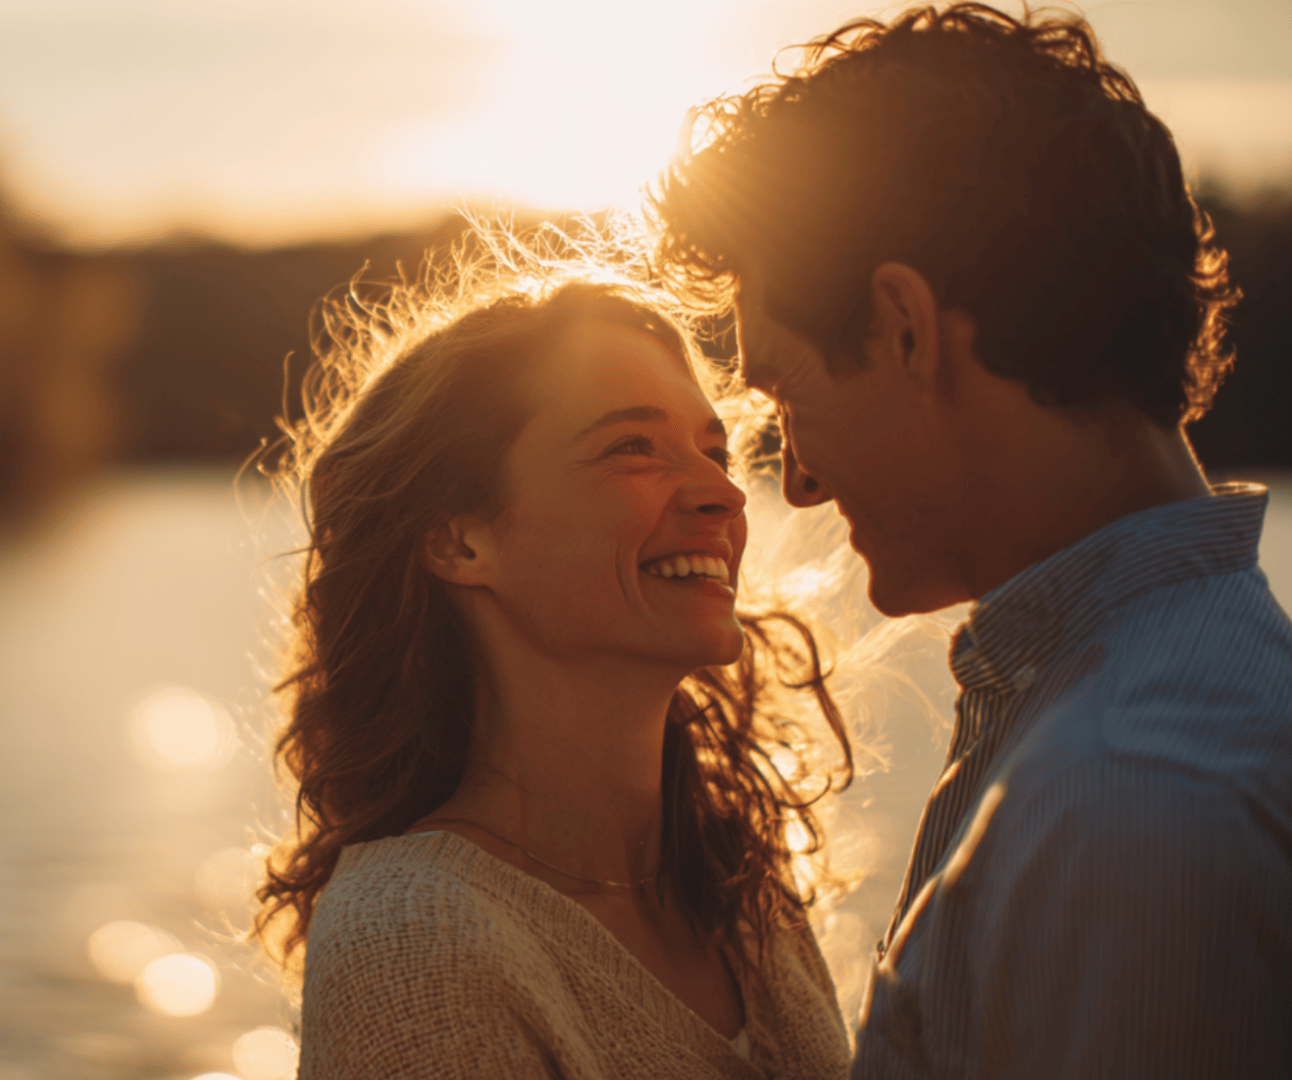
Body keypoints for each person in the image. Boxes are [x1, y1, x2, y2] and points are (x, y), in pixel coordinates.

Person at [654, 4, 1292, 1076]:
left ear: (904, 331)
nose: (797, 481)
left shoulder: (1120, 805)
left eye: (788, 391)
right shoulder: (1164, 708)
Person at [254, 225, 855, 1079]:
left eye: (715, 452)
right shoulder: (415, 938)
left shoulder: (742, 896)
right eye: (632, 447)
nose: (724, 493)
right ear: (460, 542)